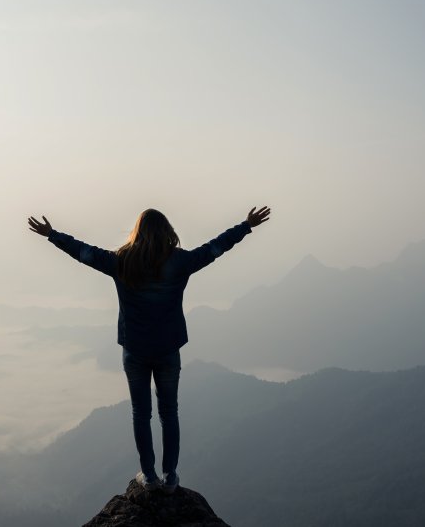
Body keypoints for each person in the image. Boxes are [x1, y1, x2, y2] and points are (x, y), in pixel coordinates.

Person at [27, 206, 270, 493]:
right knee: (169, 412)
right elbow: (215, 249)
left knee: (141, 414)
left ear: (137, 232)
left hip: (135, 349)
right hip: (168, 348)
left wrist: (52, 235)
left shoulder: (122, 261)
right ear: (167, 231)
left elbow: (85, 253)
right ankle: (170, 478)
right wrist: (246, 226)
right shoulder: (179, 262)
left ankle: (149, 477)